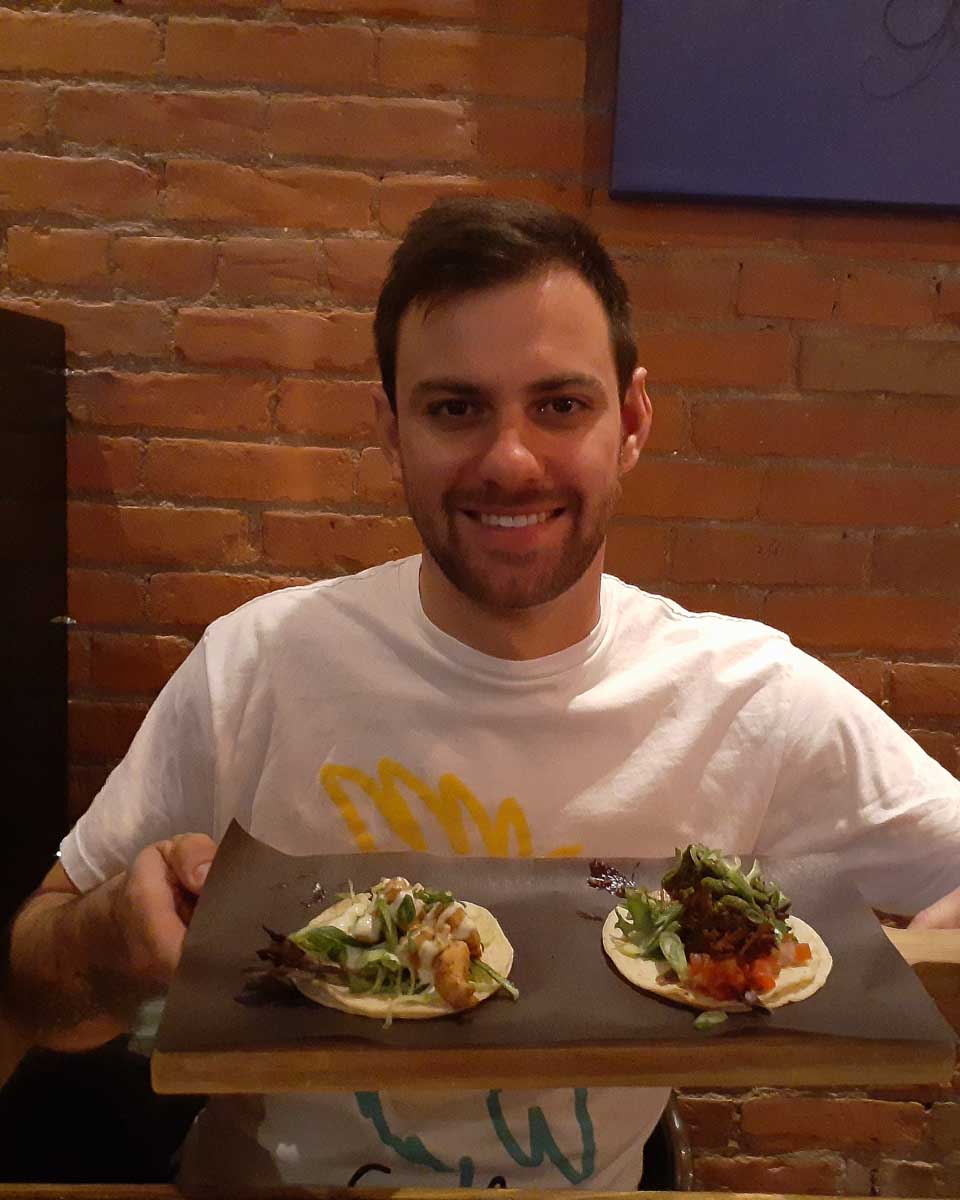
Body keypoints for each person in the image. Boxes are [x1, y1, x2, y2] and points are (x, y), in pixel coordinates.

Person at [4, 197, 960, 1190]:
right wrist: (104, 947)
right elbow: (33, 990)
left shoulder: (743, 697)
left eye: (560, 405)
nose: (510, 460)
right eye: (456, 408)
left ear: (631, 422)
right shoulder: (260, 665)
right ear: (390, 428)